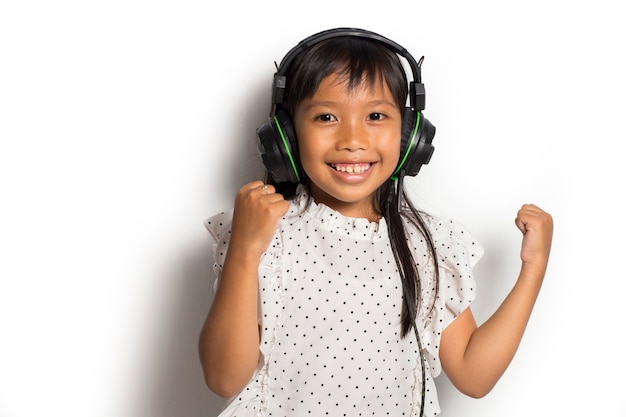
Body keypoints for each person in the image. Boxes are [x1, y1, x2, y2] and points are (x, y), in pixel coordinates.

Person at [198, 27, 553, 417]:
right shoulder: (265, 234)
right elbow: (223, 378)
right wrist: (246, 251)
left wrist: (533, 269)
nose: (353, 138)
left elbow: (473, 374)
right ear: (286, 136)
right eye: (326, 116)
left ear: (408, 135)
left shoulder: (429, 243)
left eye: (376, 116)